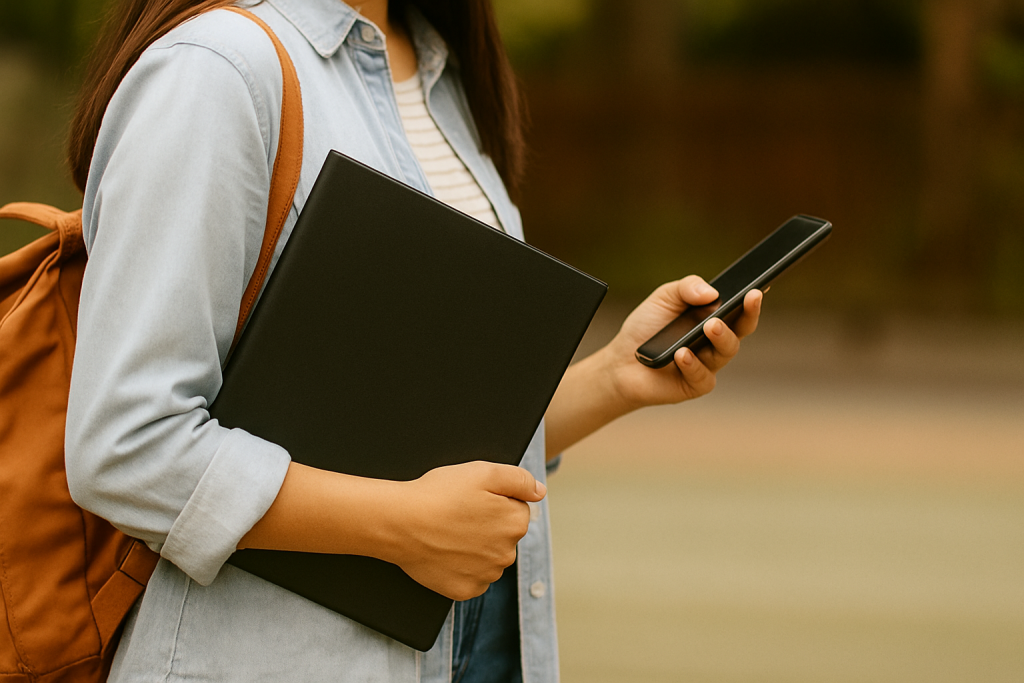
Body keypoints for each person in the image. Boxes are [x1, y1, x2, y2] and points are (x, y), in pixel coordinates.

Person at [63, 0, 763, 680]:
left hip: (480, 650)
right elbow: (126, 443)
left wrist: (613, 378)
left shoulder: (438, 68)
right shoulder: (217, 69)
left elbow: (419, 435)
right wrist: (401, 525)